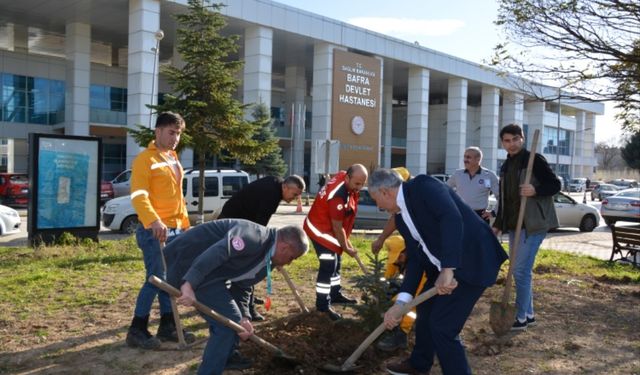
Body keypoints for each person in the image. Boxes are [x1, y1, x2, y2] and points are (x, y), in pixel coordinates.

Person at [368, 169, 507, 375]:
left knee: (443, 326)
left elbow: (451, 218)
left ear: (385, 191)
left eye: (375, 199)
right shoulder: (401, 218)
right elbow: (415, 259)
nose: (378, 205)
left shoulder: (424, 186)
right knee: (425, 312)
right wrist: (401, 303)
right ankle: (419, 364)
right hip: (442, 266)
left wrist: (448, 269)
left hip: (473, 260)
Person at [164, 220, 309, 375]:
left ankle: (225, 356)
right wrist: (189, 284)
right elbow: (218, 252)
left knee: (236, 322)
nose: (289, 263)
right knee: (228, 325)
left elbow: (244, 285)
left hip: (211, 275)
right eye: (292, 257)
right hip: (184, 262)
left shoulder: (269, 258)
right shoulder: (253, 236)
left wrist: (245, 316)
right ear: (284, 247)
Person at [126, 111, 194, 349]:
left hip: (175, 229)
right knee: (155, 278)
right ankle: (136, 329)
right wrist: (153, 220)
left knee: (170, 280)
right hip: (153, 229)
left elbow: (177, 197)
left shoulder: (172, 158)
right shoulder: (146, 159)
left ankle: (168, 326)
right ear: (158, 131)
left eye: (179, 133)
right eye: (171, 132)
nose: (175, 138)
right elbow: (139, 195)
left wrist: (185, 226)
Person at [492, 124, 561, 331]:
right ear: (502, 143)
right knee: (522, 272)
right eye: (506, 140)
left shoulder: (534, 159)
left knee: (520, 271)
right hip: (514, 225)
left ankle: (520, 317)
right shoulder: (506, 166)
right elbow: (504, 199)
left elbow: (555, 185)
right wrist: (498, 224)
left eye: (515, 139)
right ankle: (529, 314)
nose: (511, 144)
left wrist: (535, 189)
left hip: (533, 224)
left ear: (522, 138)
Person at [218, 174, 306, 321]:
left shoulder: (275, 185)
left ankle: (246, 306)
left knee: (248, 264)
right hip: (231, 226)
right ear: (285, 187)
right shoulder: (271, 195)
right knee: (248, 265)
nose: (295, 198)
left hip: (239, 223)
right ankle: (242, 308)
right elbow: (260, 227)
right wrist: (265, 248)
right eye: (294, 194)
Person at [303, 164, 368, 320]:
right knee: (328, 264)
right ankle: (322, 306)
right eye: (357, 184)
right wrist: (346, 247)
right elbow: (337, 227)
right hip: (319, 229)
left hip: (329, 227)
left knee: (337, 260)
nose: (359, 188)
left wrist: (343, 245)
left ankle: (335, 293)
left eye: (362, 184)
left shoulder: (345, 178)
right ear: (347, 178)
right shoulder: (338, 196)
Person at [447, 146, 500, 223]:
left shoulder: (489, 175)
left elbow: (500, 196)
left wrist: (493, 212)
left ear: (478, 159)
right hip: (460, 214)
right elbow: (444, 189)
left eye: (468, 157)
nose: (465, 160)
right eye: (464, 157)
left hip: (479, 216)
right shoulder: (458, 174)